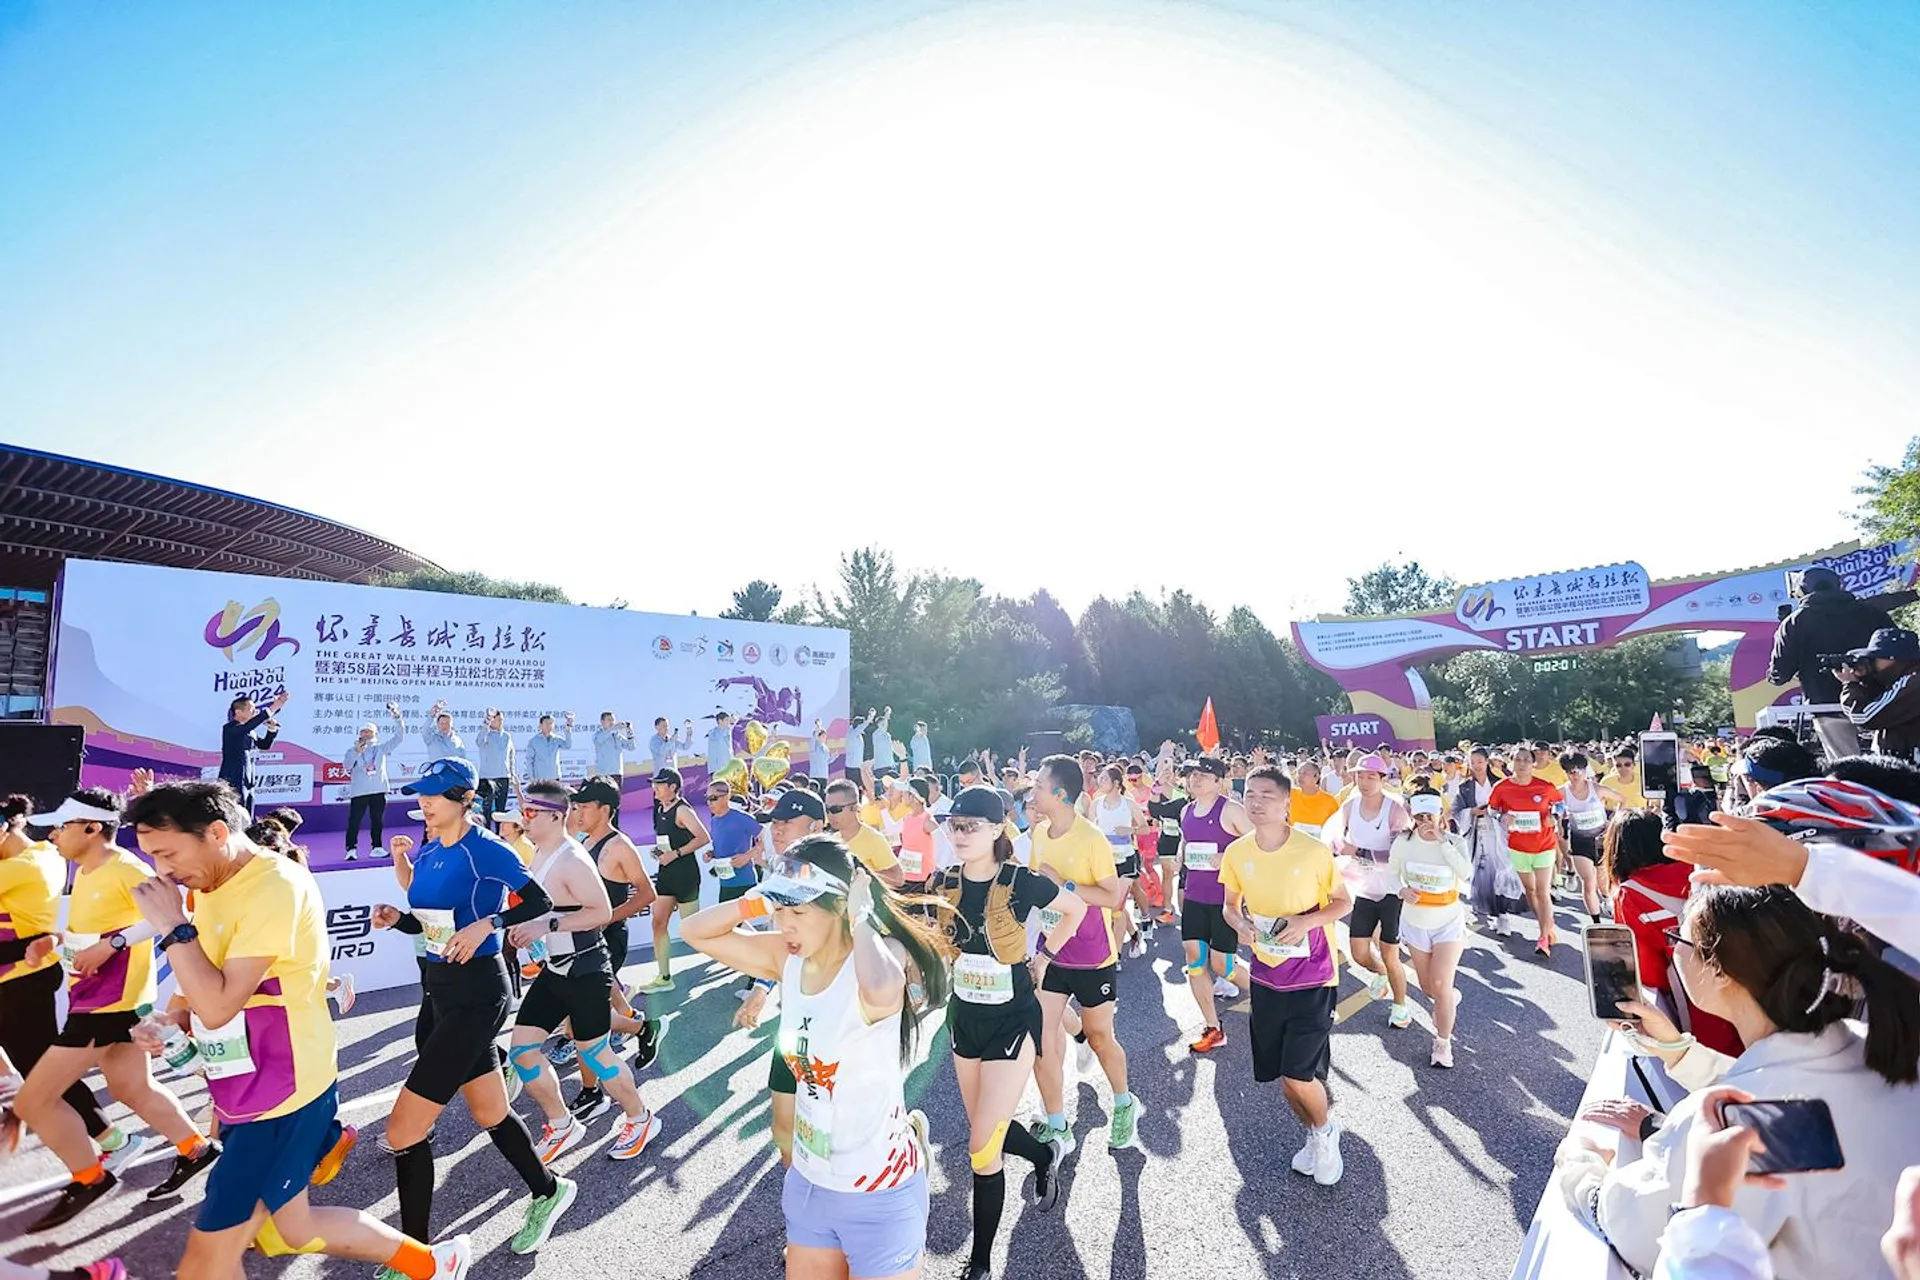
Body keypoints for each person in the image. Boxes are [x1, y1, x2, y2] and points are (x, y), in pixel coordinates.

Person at [119, 780, 471, 1280]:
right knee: (292, 1231)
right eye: (153, 856)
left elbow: (218, 1003)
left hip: (282, 1095)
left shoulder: (274, 885)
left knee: (207, 1262)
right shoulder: (208, 883)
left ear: (217, 833)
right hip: (240, 1087)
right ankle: (433, 1263)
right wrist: (172, 1018)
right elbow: (204, 974)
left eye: (168, 853)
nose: (163, 870)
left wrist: (174, 927)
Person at [1555, 883, 1920, 1279]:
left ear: (1717, 970)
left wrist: (1580, 1160)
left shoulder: (1736, 1121)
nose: (1673, 950)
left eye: (1679, 938)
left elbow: (1636, 1228)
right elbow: (1794, 1096)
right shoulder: (1878, 1049)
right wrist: (1676, 1050)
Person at [681, 834, 952, 1280]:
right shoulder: (785, 958)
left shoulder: (879, 960)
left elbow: (883, 993)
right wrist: (759, 901)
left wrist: (862, 917)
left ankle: (910, 1139)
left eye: (798, 912)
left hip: (879, 1191)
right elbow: (694, 931)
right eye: (779, 910)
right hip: (810, 1185)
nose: (784, 924)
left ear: (838, 909)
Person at [371, 757, 575, 1256]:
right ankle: (550, 1191)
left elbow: (540, 901)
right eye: (421, 793)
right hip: (438, 991)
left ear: (464, 798)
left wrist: (489, 925)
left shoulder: (487, 849)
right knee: (490, 1111)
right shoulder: (432, 850)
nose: (423, 802)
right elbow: (432, 927)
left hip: (478, 994)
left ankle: (416, 1257)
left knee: (402, 1132)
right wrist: (399, 919)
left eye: (435, 795)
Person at [13, 789, 220, 1232]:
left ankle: (90, 1176)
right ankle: (196, 1149)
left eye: (62, 826)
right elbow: (94, 928)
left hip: (110, 1003)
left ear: (91, 828)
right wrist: (59, 942)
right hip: (99, 998)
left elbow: (173, 911)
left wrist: (114, 944)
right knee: (131, 1087)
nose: (53, 833)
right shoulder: (87, 869)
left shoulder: (127, 866)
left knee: (33, 1100)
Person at [934, 786, 1078, 1279]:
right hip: (964, 1019)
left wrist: (1044, 957)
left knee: (980, 1148)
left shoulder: (1021, 881)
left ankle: (980, 1263)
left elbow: (1074, 912)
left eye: (969, 825)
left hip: (1013, 1018)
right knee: (985, 1134)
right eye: (953, 824)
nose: (958, 834)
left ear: (998, 828)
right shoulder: (944, 879)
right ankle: (1043, 1154)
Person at [503, 783, 662, 1165]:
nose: (523, 820)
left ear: (555, 816)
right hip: (555, 970)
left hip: (586, 970)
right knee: (522, 1051)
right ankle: (561, 1124)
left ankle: (640, 1118)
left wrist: (546, 927)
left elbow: (601, 912)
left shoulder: (572, 858)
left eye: (530, 814)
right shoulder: (541, 851)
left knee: (595, 1053)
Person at [1220, 764, 1352, 1184]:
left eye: (1266, 797)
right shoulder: (1238, 852)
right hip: (1266, 976)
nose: (1256, 804)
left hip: (1313, 975)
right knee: (1286, 1077)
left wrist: (1306, 923)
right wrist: (1240, 925)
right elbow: (1230, 904)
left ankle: (1326, 1131)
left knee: (1298, 1074)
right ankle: (1316, 1133)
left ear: (1286, 804)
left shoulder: (1312, 851)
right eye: (1250, 796)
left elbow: (1342, 902)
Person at [0, 795, 131, 1188]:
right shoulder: (33, 857)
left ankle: (114, 1141)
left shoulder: (30, 865)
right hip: (15, 975)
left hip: (22, 981)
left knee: (43, 1072)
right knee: (36, 1069)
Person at [1025, 755, 1141, 1153]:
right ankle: (1058, 1125)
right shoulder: (1039, 833)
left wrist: (1067, 886)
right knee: (1042, 1039)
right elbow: (1038, 889)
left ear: (1060, 794)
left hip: (1092, 955)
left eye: (1039, 785)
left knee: (1098, 1036)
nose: (1033, 791)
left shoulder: (1091, 838)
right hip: (1050, 952)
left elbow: (1113, 896)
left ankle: (1125, 1102)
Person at [1602, 810, 1743, 1058]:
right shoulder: (1700, 871)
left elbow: (1649, 973)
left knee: (1711, 1065)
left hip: (1695, 993)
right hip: (1742, 973)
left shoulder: (1630, 894)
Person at [561, 778, 657, 1109]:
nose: (578, 812)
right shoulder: (585, 842)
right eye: (577, 806)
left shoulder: (619, 846)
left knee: (580, 1023)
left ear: (605, 810)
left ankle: (592, 1093)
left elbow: (647, 894)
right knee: (580, 1023)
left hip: (607, 939)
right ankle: (640, 1026)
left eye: (584, 807)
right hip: (581, 939)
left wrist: (606, 917)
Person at [1770, 565, 1894, 763]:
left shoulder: (1795, 622)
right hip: (1879, 699)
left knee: (1848, 768)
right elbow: (1896, 652)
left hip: (1826, 705)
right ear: (1839, 585)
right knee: (1892, 763)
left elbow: (1779, 674)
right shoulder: (1873, 613)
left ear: (1802, 591)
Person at [1386, 788, 1474, 1067]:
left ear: (1440, 817)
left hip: (1448, 922)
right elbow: (1391, 874)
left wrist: (1442, 843)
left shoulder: (1454, 841)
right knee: (1427, 987)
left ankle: (1442, 1044)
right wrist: (1401, 891)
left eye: (1430, 816)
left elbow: (1465, 873)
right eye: (1419, 816)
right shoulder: (1403, 842)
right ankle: (1446, 998)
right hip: (1415, 923)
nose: (1425, 822)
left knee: (1440, 984)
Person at [1327, 753, 1414, 1026]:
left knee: (1390, 954)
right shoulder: (1350, 806)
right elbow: (1333, 838)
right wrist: (1338, 850)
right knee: (1359, 953)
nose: (1364, 782)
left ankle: (1400, 1008)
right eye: (1359, 776)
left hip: (1391, 889)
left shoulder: (1395, 809)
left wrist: (1361, 851)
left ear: (1383, 779)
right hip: (1363, 887)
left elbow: (1402, 852)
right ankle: (1381, 974)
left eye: (1370, 777)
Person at [1177, 757, 1251, 1053]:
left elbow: (1259, 842)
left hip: (1224, 901)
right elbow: (1188, 844)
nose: (1195, 779)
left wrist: (1227, 856)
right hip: (1195, 896)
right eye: (1192, 774)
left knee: (1223, 965)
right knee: (1194, 960)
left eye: (1203, 774)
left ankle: (1272, 994)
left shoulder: (1231, 809)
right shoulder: (1186, 810)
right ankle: (1213, 1027)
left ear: (1219, 781)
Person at [639, 767, 710, 993]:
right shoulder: (659, 808)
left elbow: (703, 838)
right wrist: (660, 853)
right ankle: (664, 976)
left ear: (673, 787)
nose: (655, 788)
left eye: (660, 784)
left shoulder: (682, 811)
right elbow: (667, 840)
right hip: (666, 873)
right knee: (658, 923)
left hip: (685, 875)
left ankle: (732, 956)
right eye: (654, 784)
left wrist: (676, 854)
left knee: (694, 931)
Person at [1487, 748, 1563, 956]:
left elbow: (1559, 804)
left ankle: (1543, 937)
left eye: (1526, 760)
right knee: (1530, 891)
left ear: (1533, 763)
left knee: (1542, 891)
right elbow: (1492, 810)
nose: (1521, 763)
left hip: (1544, 844)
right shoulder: (1501, 787)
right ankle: (1546, 924)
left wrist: (1554, 817)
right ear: (1511, 762)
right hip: (1518, 846)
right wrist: (1502, 818)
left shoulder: (1544, 786)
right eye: (1517, 759)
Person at [1839, 628, 1920, 765]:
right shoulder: (1901, 679)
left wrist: (1850, 684)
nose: (1872, 661)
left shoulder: (1912, 682)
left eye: (1875, 657)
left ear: (1893, 658)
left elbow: (1864, 716)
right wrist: (1864, 679)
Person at [1560, 753, 1622, 921]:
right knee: (1588, 881)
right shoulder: (1562, 792)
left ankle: (1607, 900)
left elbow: (1622, 800)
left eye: (1578, 771)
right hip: (1580, 841)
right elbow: (1550, 806)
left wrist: (1613, 821)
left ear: (1585, 771)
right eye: (1571, 772)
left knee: (1604, 881)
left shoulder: (1596, 789)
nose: (1575, 776)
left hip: (1601, 839)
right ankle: (1595, 921)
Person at [343, 705, 406, 862]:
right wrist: (357, 751)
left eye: (369, 731)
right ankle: (351, 849)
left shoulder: (381, 748)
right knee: (354, 821)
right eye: (363, 731)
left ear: (375, 734)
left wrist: (398, 718)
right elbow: (347, 766)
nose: (366, 734)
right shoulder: (352, 750)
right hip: (359, 791)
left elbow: (399, 737)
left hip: (378, 790)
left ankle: (377, 847)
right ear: (359, 734)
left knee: (377, 820)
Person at [823, 779, 905, 889]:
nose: (830, 814)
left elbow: (898, 878)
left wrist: (860, 875)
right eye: (827, 809)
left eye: (835, 809)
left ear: (855, 807)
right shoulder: (832, 840)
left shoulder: (873, 839)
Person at [219, 691, 287, 815]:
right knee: (235, 815)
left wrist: (271, 730)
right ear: (238, 712)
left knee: (247, 815)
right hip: (233, 779)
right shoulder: (230, 728)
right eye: (252, 709)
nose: (255, 712)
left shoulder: (250, 731)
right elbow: (248, 726)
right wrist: (273, 707)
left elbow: (264, 745)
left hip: (248, 780)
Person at [473, 709, 515, 826]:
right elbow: (479, 741)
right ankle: (486, 835)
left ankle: (499, 834)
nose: (500, 722)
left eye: (501, 720)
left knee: (500, 810)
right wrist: (486, 724)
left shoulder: (506, 736)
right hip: (487, 778)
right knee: (486, 810)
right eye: (496, 720)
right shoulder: (485, 735)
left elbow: (511, 755)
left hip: (503, 777)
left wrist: (512, 772)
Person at [524, 713, 574, 785]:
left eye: (551, 723)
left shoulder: (556, 739)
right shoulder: (534, 741)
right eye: (546, 723)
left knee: (556, 796)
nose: (549, 726)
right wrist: (532, 779)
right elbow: (529, 761)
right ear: (541, 725)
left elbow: (568, 745)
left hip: (555, 777)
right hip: (540, 779)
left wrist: (568, 728)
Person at [592, 713, 636, 781]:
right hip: (603, 774)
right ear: (602, 721)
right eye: (609, 720)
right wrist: (613, 728)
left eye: (613, 720)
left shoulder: (617, 735)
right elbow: (599, 740)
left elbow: (631, 747)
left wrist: (630, 732)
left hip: (617, 773)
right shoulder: (598, 734)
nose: (612, 722)